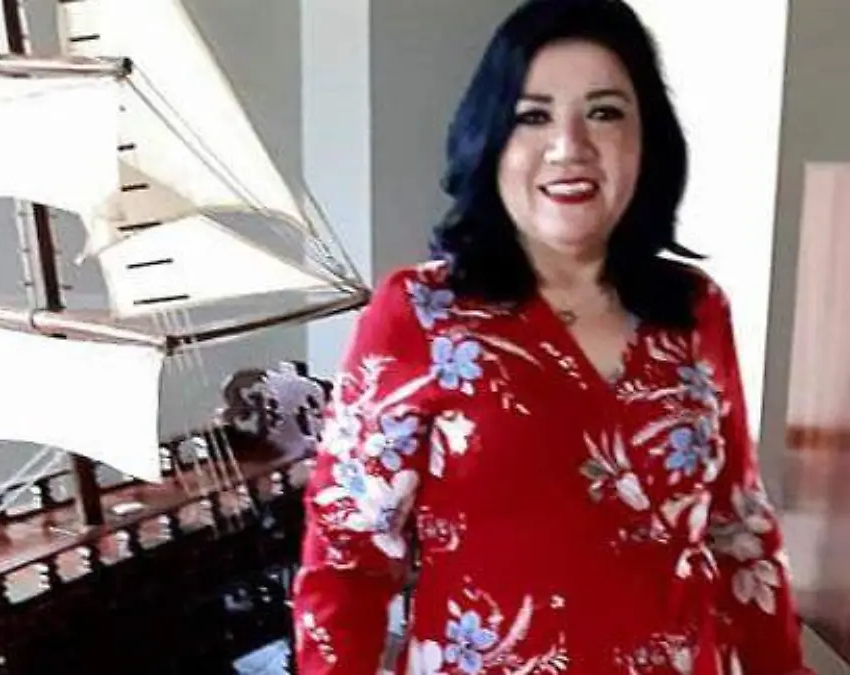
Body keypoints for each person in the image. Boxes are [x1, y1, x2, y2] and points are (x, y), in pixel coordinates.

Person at [290, 1, 813, 674]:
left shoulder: (694, 309)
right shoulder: (419, 314)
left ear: (646, 140)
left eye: (605, 112)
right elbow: (347, 557)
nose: (570, 146)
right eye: (532, 116)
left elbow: (739, 531)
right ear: (489, 139)